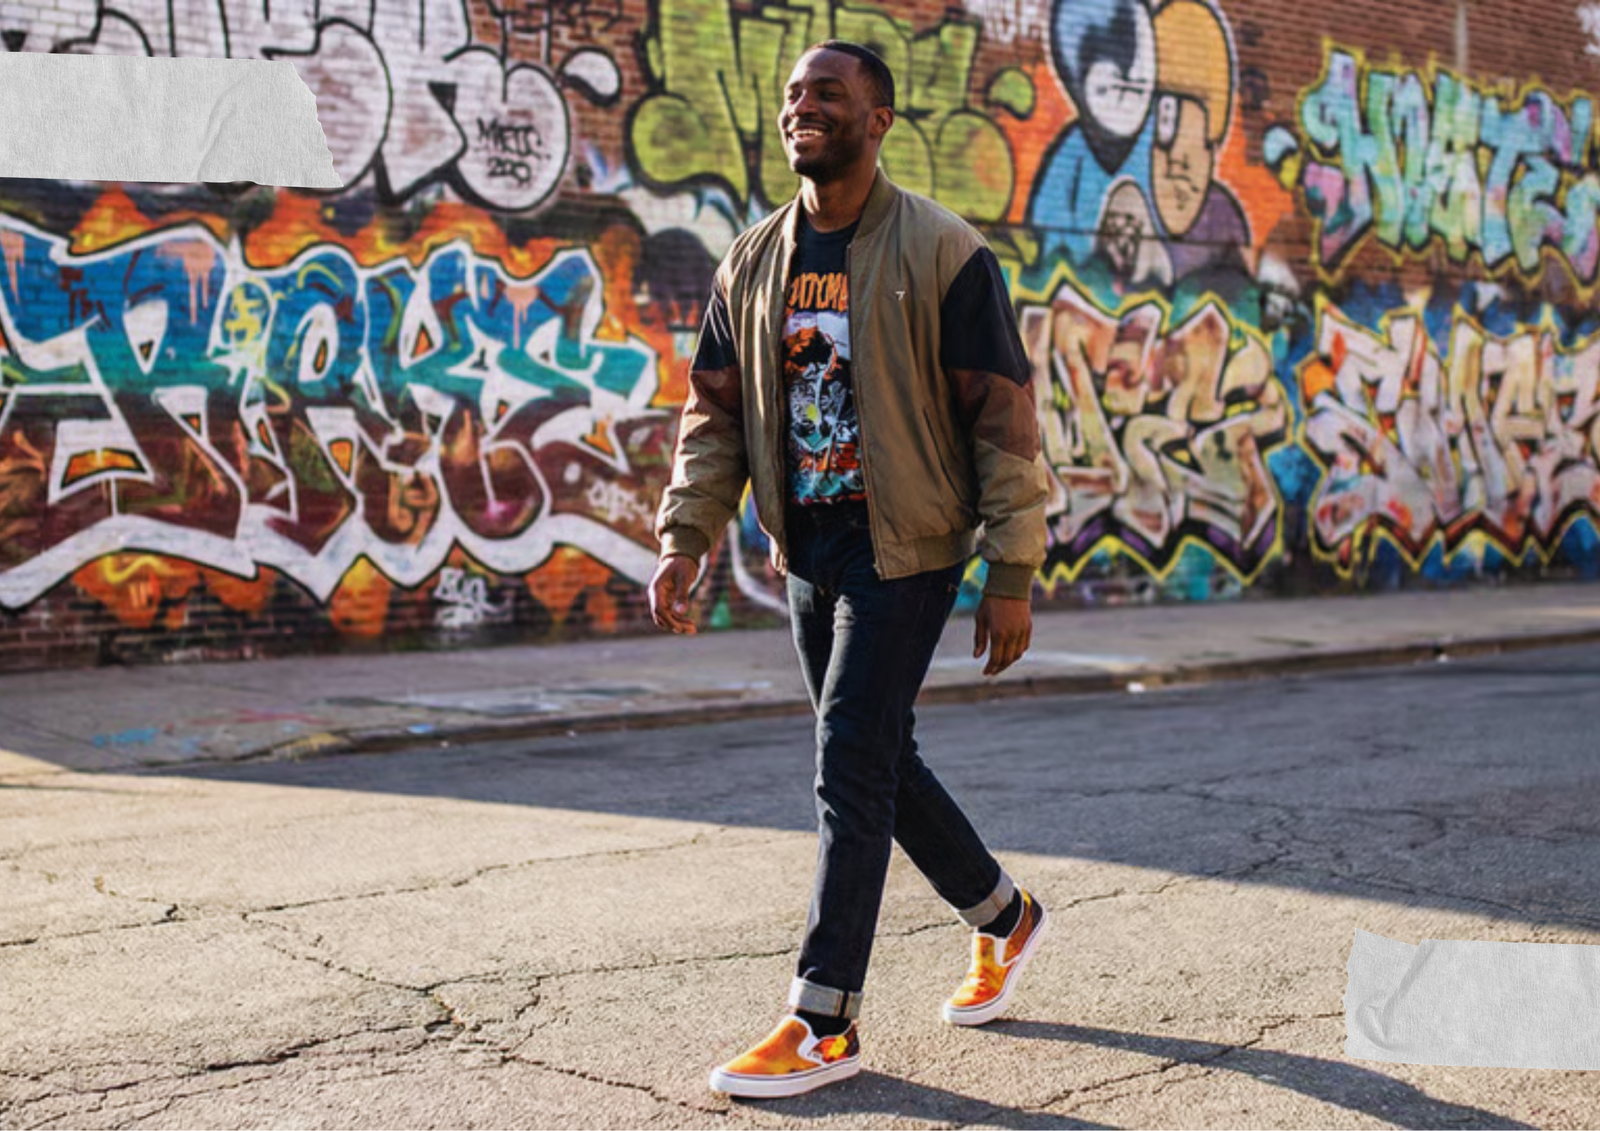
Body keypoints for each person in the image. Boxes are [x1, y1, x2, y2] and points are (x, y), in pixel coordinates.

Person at [650, 39, 1051, 1100]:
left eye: (828, 94)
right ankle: (1005, 919)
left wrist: (1009, 567)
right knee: (877, 758)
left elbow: (1002, 418)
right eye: (791, 95)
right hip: (807, 549)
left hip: (907, 547)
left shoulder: (942, 251)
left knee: (847, 764)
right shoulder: (751, 261)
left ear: (878, 119)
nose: (803, 109)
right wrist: (684, 536)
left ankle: (823, 1019)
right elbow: (717, 414)